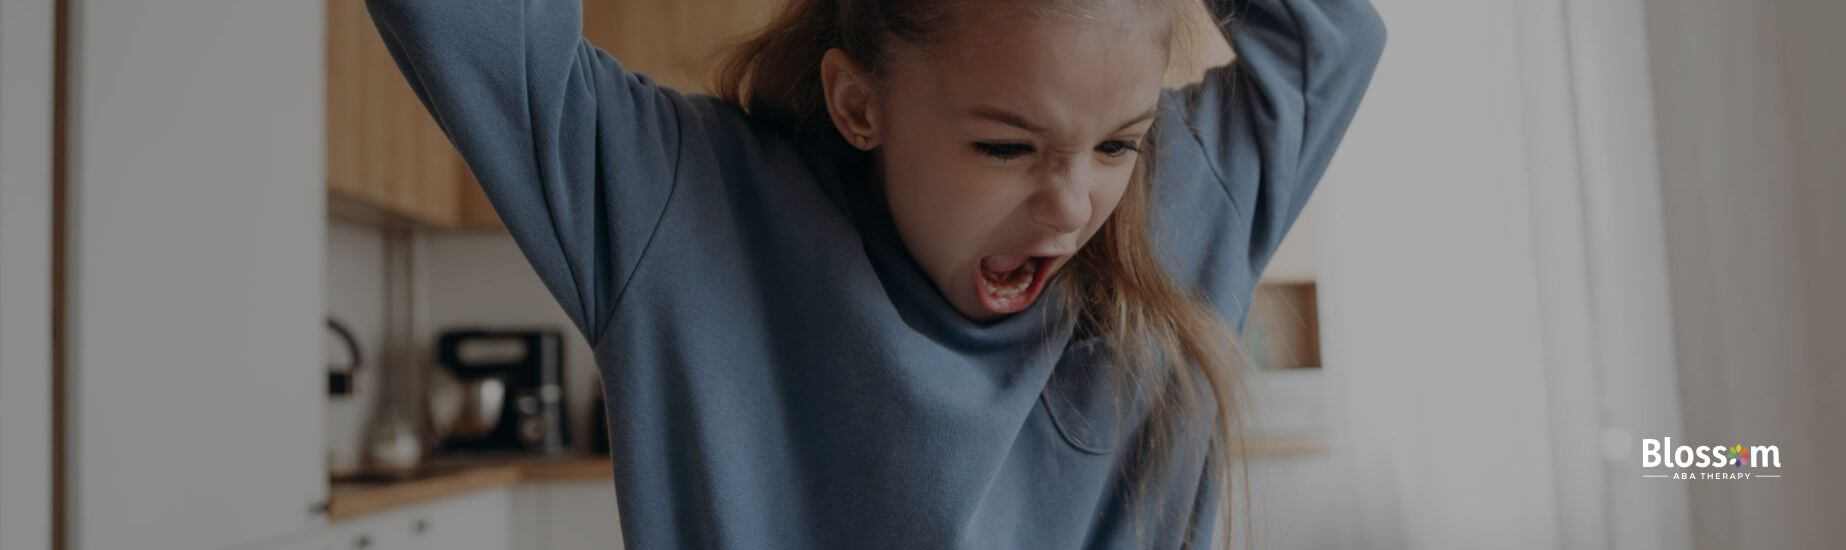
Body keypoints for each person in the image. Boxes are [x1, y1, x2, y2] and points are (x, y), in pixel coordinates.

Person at [363, 0, 1383, 547]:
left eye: (1119, 142)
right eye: (1005, 147)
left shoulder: (1177, 199)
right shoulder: (686, 207)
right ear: (860, 105)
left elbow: (1335, 37)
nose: (1074, 205)